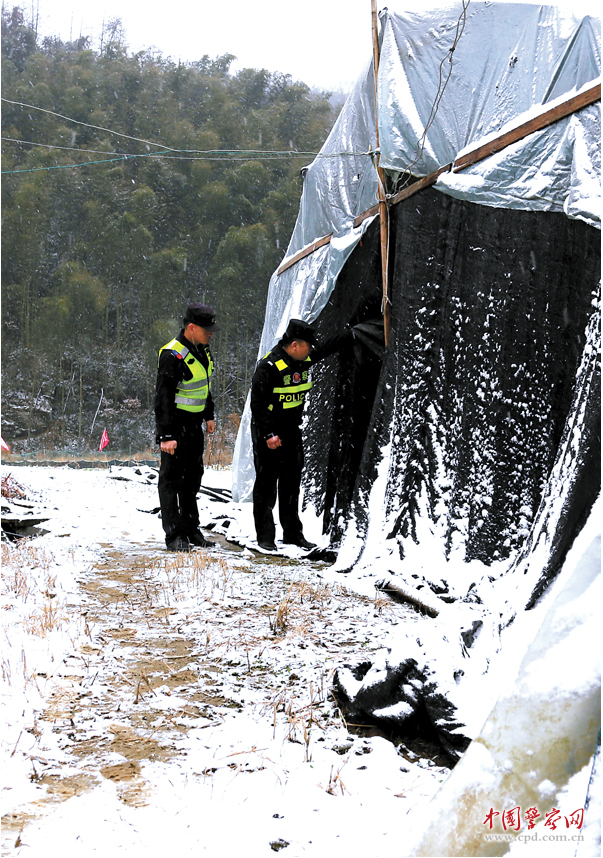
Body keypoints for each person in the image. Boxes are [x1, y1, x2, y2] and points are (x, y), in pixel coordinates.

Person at [250, 318, 353, 552]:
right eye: (308, 345)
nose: (311, 350)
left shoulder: (303, 360)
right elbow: (257, 405)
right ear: (295, 345)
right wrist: (269, 434)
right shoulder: (269, 367)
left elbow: (326, 347)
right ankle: (265, 537)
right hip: (269, 432)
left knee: (291, 484)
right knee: (267, 487)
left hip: (291, 431)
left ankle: (293, 534)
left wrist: (352, 332)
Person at [155, 303, 220, 552]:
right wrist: (166, 435)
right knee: (171, 480)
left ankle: (191, 528)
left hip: (194, 425)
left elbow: (203, 386)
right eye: (207, 330)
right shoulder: (173, 355)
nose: (211, 334)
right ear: (192, 328)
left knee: (192, 479)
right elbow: (163, 399)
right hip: (175, 425)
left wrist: (209, 414)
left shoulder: (202, 351)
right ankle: (174, 535)